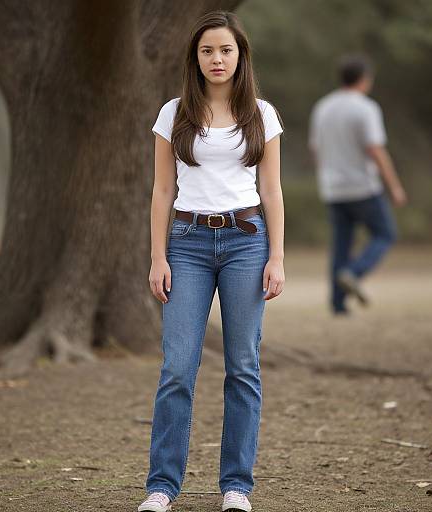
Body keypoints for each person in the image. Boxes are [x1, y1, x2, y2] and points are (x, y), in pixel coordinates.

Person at [139, 11, 284, 512]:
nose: (216, 59)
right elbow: (162, 189)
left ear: (240, 55)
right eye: (207, 51)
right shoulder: (173, 113)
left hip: (247, 243)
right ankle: (162, 486)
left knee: (243, 366)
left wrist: (278, 257)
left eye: (225, 50)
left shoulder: (262, 114)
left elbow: (271, 189)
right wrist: (158, 256)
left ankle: (236, 487)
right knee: (178, 367)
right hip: (186, 243)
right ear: (195, 58)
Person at [308, 54, 407, 315]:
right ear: (364, 80)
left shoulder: (323, 107)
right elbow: (376, 150)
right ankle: (353, 272)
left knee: (341, 244)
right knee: (385, 233)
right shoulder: (366, 108)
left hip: (333, 188)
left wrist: (326, 176)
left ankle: (338, 304)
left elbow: (316, 149)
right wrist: (394, 186)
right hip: (362, 187)